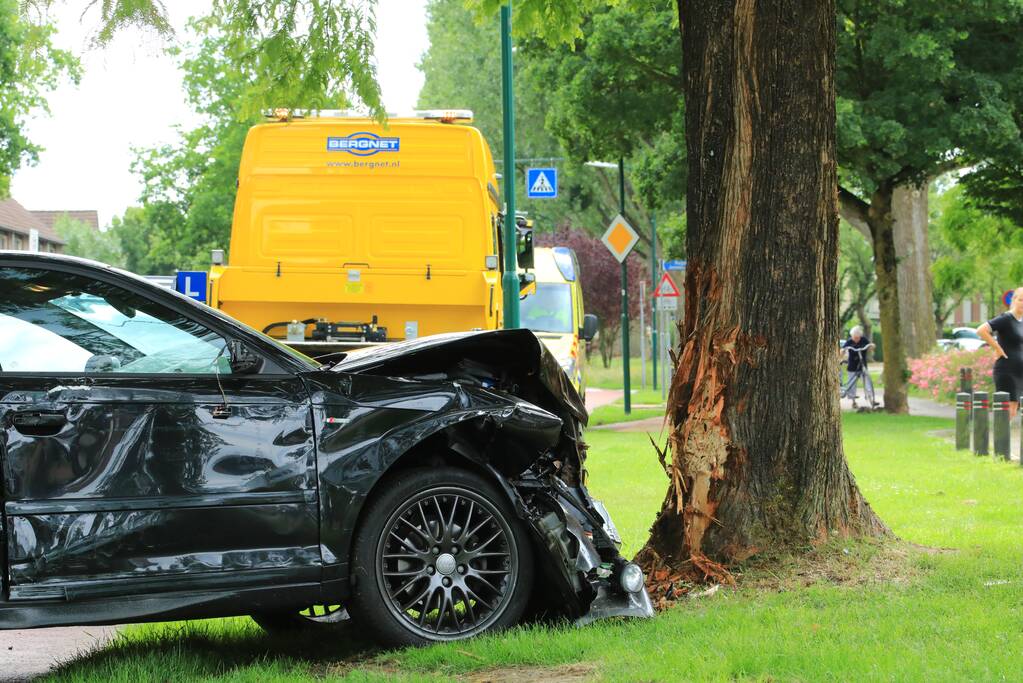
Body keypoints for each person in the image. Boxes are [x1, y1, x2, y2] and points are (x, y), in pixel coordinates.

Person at [977, 287, 1023, 418]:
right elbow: (981, 330)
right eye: (1021, 300)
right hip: (1006, 370)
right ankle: (1000, 437)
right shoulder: (1006, 318)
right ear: (1014, 300)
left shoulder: (1021, 321)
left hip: (1019, 372)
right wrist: (997, 348)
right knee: (1006, 409)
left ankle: (1003, 437)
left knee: (1013, 409)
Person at [839, 326, 877, 409]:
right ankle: (853, 401)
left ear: (860, 336)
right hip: (852, 364)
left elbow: (870, 346)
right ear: (852, 336)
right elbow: (843, 349)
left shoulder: (864, 340)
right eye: (854, 337)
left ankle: (871, 397)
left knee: (867, 380)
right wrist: (842, 351)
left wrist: (872, 346)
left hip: (862, 363)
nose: (856, 339)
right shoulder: (849, 341)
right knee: (852, 383)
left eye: (857, 338)